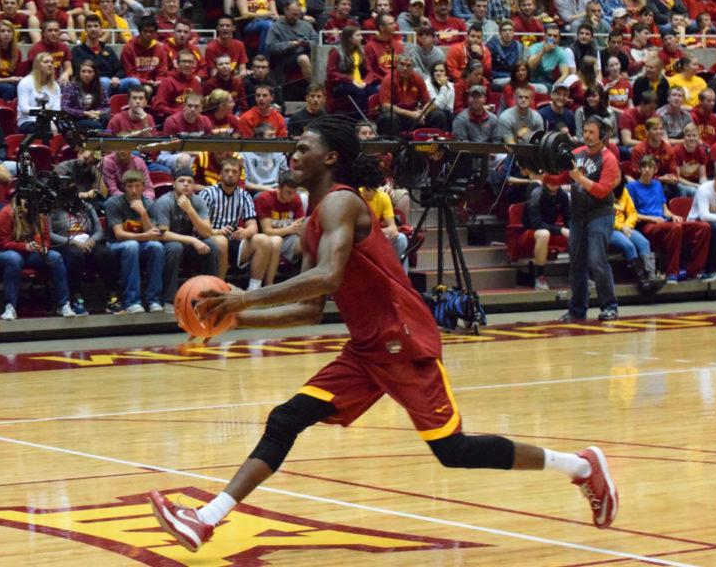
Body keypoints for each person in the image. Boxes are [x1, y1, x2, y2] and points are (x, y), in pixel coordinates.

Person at [148, 115, 620, 551]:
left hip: (402, 339)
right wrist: (233, 321)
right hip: (368, 348)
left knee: (452, 451)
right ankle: (205, 519)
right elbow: (311, 309)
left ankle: (580, 467)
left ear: (330, 157)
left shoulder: (341, 202)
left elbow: (327, 278)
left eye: (303, 147)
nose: (294, 153)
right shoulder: (316, 218)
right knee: (285, 419)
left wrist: (245, 298)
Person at [562, 116, 621, 322]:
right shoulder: (576, 153)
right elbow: (559, 176)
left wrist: (579, 179)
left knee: (597, 260)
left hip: (600, 215)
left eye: (591, 132)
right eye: (585, 131)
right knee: (576, 263)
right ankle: (577, 310)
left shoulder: (609, 159)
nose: (586, 135)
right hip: (578, 216)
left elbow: (602, 191)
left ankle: (610, 306)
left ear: (602, 135)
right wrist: (537, 174)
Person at [0, 194, 75, 320]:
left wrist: (44, 247)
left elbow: (46, 238)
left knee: (55, 257)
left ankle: (64, 304)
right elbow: (3, 243)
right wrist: (25, 246)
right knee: (13, 259)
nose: (28, 210)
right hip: (5, 252)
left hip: (31, 253)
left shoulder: (38, 215)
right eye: (25, 206)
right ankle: (10, 306)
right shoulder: (5, 214)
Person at [628, 155, 710, 283]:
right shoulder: (632, 187)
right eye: (644, 167)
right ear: (640, 169)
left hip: (664, 222)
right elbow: (632, 214)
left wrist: (673, 215)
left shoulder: (657, 185)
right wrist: (652, 219)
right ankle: (672, 273)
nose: (647, 170)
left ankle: (695, 271)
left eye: (650, 167)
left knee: (703, 227)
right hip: (647, 225)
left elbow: (664, 209)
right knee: (675, 228)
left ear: (655, 170)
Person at [200, 157, 279, 289]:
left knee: (263, 240)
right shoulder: (208, 193)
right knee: (221, 241)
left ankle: (254, 289)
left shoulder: (245, 196)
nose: (230, 174)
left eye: (234, 171)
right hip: (210, 238)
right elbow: (199, 226)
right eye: (227, 171)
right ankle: (218, 288)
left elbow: (253, 226)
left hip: (234, 240)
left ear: (239, 175)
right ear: (220, 173)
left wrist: (247, 231)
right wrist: (215, 231)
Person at [153, 166, 218, 312]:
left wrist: (190, 210)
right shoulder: (164, 202)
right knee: (175, 247)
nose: (186, 184)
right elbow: (163, 234)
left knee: (211, 245)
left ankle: (210, 296)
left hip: (186, 245)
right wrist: (193, 240)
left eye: (190, 181)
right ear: (174, 184)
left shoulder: (198, 201)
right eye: (181, 181)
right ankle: (168, 299)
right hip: (166, 245)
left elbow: (207, 233)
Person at [49, 182, 116, 316]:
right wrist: (71, 241)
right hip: (66, 243)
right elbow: (50, 234)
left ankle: (112, 295)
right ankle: (75, 296)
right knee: (75, 255)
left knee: (106, 253)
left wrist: (92, 240)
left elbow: (99, 231)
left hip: (87, 241)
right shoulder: (53, 209)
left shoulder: (87, 207)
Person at [103, 169, 164, 314]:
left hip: (140, 244)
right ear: (124, 187)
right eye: (130, 187)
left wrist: (143, 213)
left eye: (137, 186)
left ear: (143, 187)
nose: (134, 190)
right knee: (131, 246)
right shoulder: (113, 203)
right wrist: (145, 236)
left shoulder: (149, 204)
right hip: (115, 246)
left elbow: (154, 234)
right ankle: (132, 301)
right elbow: (119, 234)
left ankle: (153, 300)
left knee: (157, 247)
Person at [610, 180, 663, 292]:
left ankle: (650, 277)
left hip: (626, 227)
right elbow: (604, 216)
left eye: (618, 176)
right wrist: (621, 227)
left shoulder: (624, 191)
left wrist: (627, 225)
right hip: (610, 229)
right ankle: (642, 280)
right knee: (629, 246)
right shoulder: (603, 191)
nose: (616, 178)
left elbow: (632, 213)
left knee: (644, 243)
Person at [523, 177, 571, 290]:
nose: (553, 184)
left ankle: (581, 275)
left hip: (550, 229)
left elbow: (568, 218)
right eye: (550, 180)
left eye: (556, 181)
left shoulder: (563, 195)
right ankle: (540, 276)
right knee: (544, 234)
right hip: (529, 231)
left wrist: (572, 229)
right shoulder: (536, 193)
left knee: (579, 232)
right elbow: (536, 224)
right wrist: (561, 230)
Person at [254, 169, 304, 270]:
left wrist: (297, 229)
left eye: (294, 192)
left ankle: (301, 277)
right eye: (288, 192)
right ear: (279, 188)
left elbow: (299, 227)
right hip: (267, 241)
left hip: (288, 239)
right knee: (276, 241)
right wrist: (289, 229)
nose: (292, 196)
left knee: (309, 242)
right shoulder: (264, 198)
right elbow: (267, 231)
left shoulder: (296, 199)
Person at [687, 163, 716, 280]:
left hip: (713, 223)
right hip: (695, 225)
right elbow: (703, 216)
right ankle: (710, 270)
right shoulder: (704, 189)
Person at [266, 2, 316, 84]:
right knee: (303, 58)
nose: (296, 17)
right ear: (286, 10)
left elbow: (316, 41)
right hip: (286, 58)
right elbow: (270, 47)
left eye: (298, 15)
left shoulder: (306, 25)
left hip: (306, 51)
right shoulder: (276, 27)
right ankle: (315, 87)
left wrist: (307, 43)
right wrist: (291, 44)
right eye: (293, 14)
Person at [17, 52, 61, 134]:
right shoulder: (25, 82)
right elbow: (23, 108)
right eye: (46, 62)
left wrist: (53, 123)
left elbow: (56, 110)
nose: (50, 64)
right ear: (38, 65)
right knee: (45, 131)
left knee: (68, 129)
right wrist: (43, 110)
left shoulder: (55, 86)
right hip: (28, 121)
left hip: (49, 121)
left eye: (52, 62)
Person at [61, 59, 109, 130]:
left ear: (95, 73)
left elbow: (107, 107)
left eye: (90, 72)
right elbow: (64, 108)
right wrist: (85, 113)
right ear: (79, 73)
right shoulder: (70, 86)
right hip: (77, 120)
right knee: (97, 126)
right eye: (83, 71)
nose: (86, 74)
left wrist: (98, 112)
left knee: (106, 120)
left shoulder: (100, 87)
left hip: (95, 117)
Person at [488, 20, 523, 88]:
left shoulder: (518, 46)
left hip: (514, 77)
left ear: (513, 32)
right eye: (504, 30)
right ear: (500, 33)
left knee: (542, 89)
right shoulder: (491, 46)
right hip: (497, 79)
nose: (507, 32)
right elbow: (489, 69)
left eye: (510, 30)